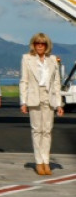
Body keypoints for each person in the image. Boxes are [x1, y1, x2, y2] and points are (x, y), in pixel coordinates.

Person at [19, 33, 65, 175]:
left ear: (47, 45)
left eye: (43, 43)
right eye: (37, 43)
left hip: (49, 97)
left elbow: (57, 83)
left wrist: (59, 104)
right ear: (33, 44)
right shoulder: (27, 58)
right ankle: (39, 162)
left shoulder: (52, 60)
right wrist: (23, 101)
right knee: (37, 130)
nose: (40, 46)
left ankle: (46, 161)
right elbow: (24, 81)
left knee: (47, 131)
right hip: (34, 97)